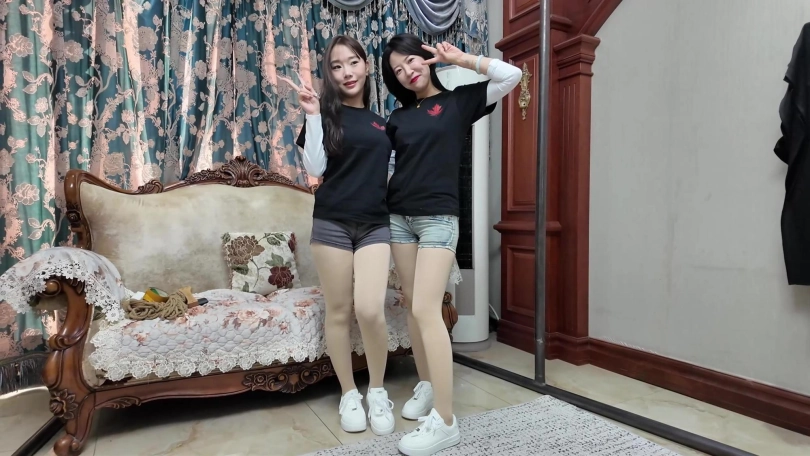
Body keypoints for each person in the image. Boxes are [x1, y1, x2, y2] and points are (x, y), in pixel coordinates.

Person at [381, 34, 522, 455]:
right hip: (398, 218)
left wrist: (462, 59)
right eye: (398, 70)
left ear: (425, 57)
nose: (407, 71)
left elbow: (512, 75)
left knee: (427, 309)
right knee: (413, 306)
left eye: (411, 61)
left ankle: (445, 421)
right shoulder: (396, 118)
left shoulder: (460, 101)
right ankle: (427, 384)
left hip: (439, 219)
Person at [287, 35, 395, 436]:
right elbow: (315, 168)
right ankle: (349, 393)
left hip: (375, 224)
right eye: (336, 66)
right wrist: (313, 115)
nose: (346, 72)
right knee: (337, 311)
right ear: (329, 74)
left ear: (366, 65)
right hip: (332, 222)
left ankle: (378, 391)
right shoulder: (324, 114)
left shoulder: (383, 123)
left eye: (352, 62)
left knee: (370, 309)